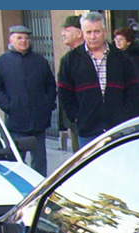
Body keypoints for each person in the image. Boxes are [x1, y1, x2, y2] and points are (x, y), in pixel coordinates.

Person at [57, 12, 139, 148]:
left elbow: (133, 89)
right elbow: (64, 93)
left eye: (97, 31)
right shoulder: (70, 60)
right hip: (87, 129)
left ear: (104, 32)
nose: (93, 36)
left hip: (117, 128)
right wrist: (76, 117)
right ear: (83, 33)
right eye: (88, 32)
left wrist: (125, 114)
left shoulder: (121, 58)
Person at [0, 25, 57, 175]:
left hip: (38, 119)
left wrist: (47, 103)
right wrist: (9, 105)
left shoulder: (39, 61)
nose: (23, 41)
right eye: (19, 38)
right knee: (17, 160)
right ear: (11, 39)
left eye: (26, 38)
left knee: (39, 160)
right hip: (16, 120)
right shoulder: (1, 62)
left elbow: (50, 85)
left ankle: (40, 187)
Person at [58, 15, 84, 151]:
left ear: (79, 33)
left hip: (87, 122)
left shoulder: (86, 58)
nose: (63, 34)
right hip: (75, 121)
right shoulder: (69, 58)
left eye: (67, 30)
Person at [113, 26, 139, 116]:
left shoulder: (134, 59)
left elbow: (138, 83)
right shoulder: (117, 56)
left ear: (128, 42)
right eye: (116, 39)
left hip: (133, 105)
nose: (117, 42)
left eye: (121, 39)